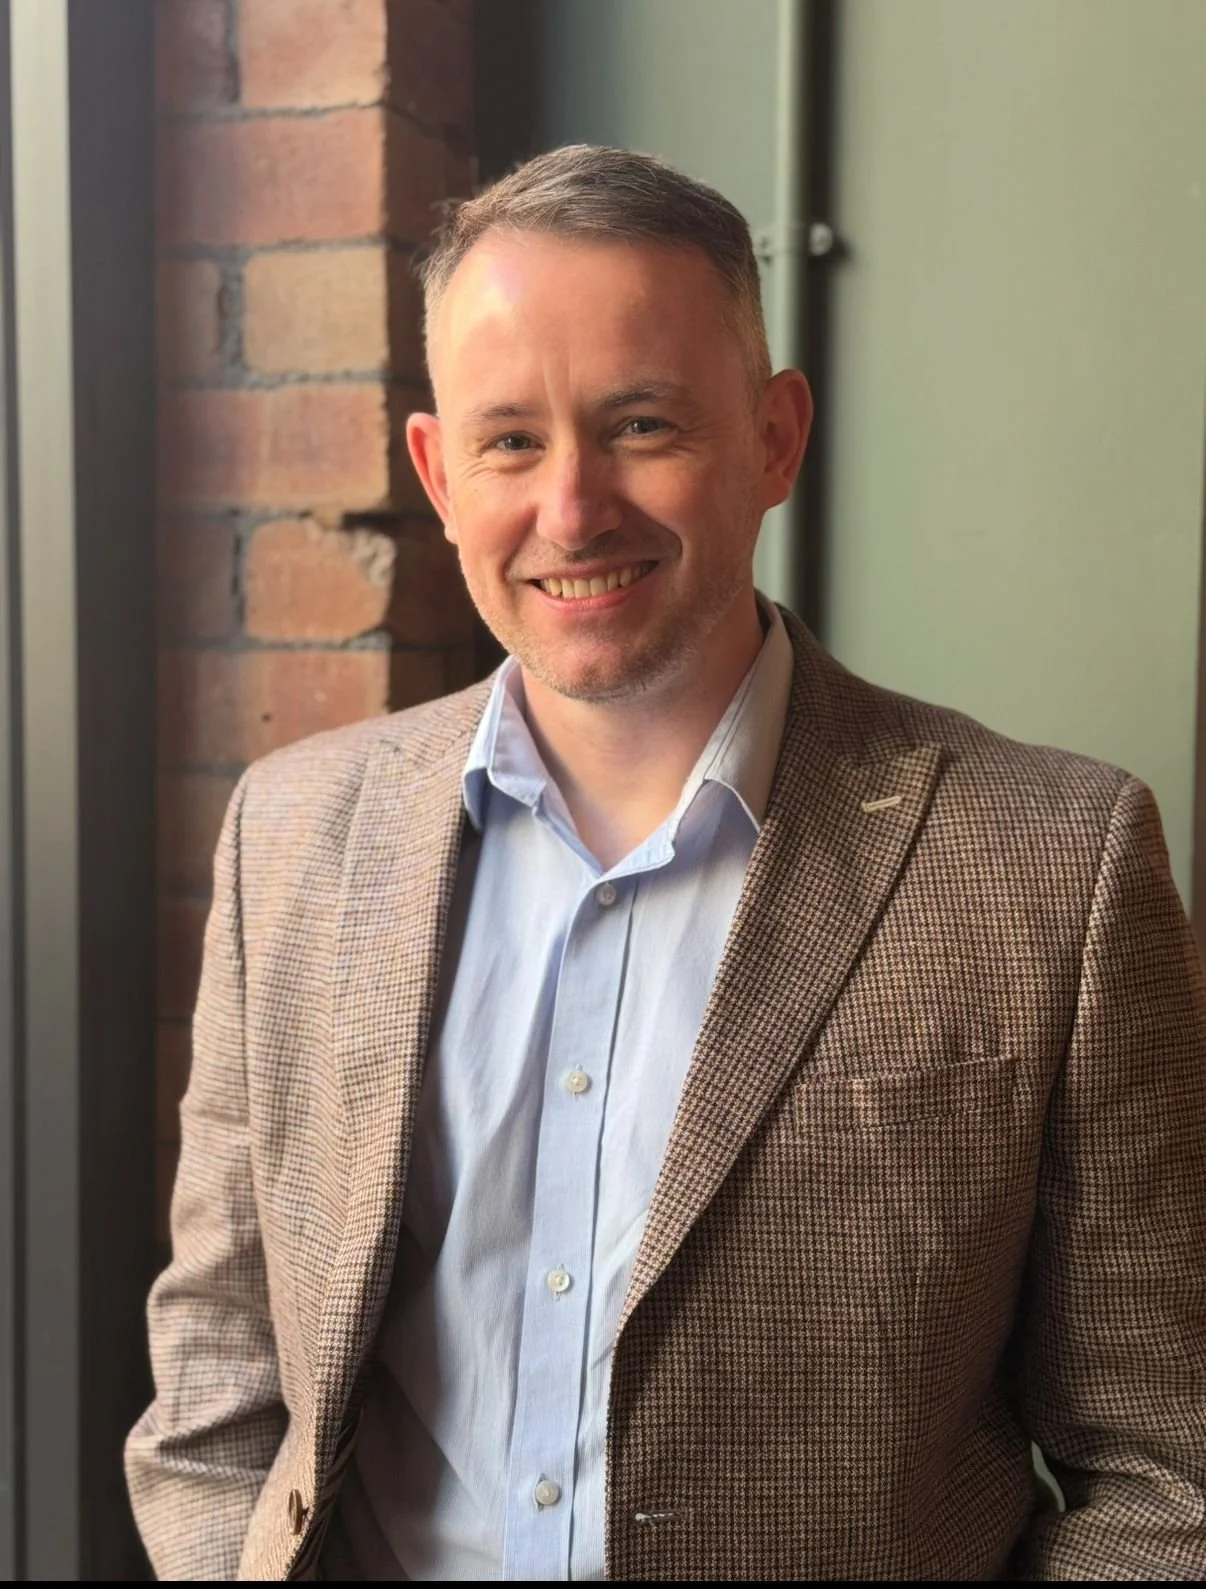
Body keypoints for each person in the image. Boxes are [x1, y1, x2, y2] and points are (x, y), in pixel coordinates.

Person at [126, 144, 1206, 1582]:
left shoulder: (1050, 868)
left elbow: (1160, 1472)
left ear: (771, 438)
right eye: (511, 441)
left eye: (640, 425)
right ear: (439, 475)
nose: (571, 509)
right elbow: (217, 1386)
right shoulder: (294, 837)